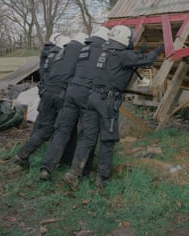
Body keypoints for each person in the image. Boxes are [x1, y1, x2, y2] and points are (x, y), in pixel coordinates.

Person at [63, 25, 164, 190]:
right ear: (124, 39)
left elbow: (122, 62)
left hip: (93, 98)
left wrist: (137, 52)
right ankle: (102, 180)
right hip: (107, 102)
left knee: (87, 138)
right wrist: (158, 50)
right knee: (107, 141)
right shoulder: (123, 55)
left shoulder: (105, 52)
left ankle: (73, 173)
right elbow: (147, 61)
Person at [39, 26, 110, 181]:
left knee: (62, 131)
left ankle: (46, 167)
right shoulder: (103, 50)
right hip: (87, 94)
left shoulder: (84, 49)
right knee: (88, 134)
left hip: (71, 92)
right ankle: (80, 171)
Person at [13, 32, 86, 169]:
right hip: (61, 95)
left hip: (47, 93)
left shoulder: (56, 55)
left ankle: (22, 154)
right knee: (64, 129)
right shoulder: (75, 55)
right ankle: (57, 163)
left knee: (46, 128)